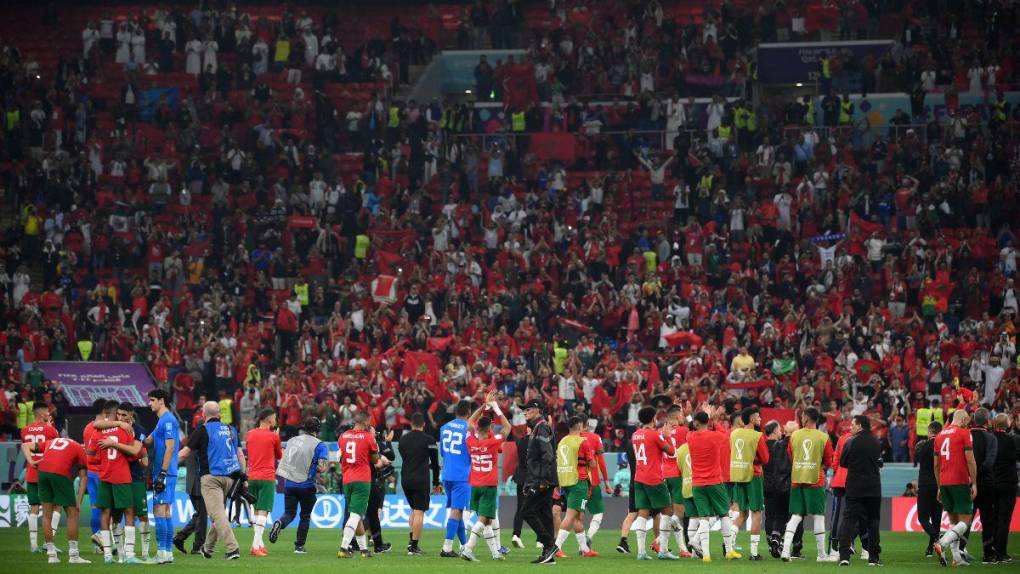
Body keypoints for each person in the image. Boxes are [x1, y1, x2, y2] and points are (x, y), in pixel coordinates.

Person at [177, 400, 247, 560]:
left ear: (203, 414)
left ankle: (232, 548)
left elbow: (184, 454)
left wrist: (166, 467)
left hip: (211, 478)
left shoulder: (202, 429)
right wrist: (244, 477)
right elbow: (240, 455)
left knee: (217, 515)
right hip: (230, 479)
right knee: (218, 514)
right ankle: (207, 549)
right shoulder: (231, 429)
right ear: (220, 414)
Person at [781, 407, 838, 562]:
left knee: (795, 516)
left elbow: (791, 456)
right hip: (815, 480)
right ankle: (821, 555)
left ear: (805, 418)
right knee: (818, 517)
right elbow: (829, 461)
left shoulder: (794, 436)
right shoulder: (823, 437)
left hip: (797, 478)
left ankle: (785, 551)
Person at [460, 391, 511, 561]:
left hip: (474, 484)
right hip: (488, 484)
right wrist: (495, 407)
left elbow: (469, 422)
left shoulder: (471, 441)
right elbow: (508, 428)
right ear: (489, 428)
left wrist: (483, 405)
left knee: (488, 520)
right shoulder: (493, 441)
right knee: (485, 518)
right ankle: (468, 548)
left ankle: (495, 553)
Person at [687, 406, 740, 562]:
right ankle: (729, 551)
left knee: (703, 517)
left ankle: (706, 555)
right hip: (715, 482)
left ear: (696, 423)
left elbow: (691, 426)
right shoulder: (716, 436)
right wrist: (713, 419)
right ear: (707, 422)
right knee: (724, 513)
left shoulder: (690, 437)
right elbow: (726, 434)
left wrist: (689, 416)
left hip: (697, 484)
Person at [95, 402, 144, 564]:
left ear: (132, 415)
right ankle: (128, 554)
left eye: (124, 415)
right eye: (119, 414)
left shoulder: (102, 429)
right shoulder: (127, 430)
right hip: (122, 476)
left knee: (107, 513)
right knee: (129, 512)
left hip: (106, 474)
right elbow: (134, 453)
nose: (121, 418)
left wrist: (112, 441)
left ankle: (108, 555)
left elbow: (96, 424)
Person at [29, 435, 90, 563]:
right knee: (72, 514)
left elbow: (25, 445)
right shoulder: (79, 448)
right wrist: (78, 502)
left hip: (42, 472)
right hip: (60, 473)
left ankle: (51, 555)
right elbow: (83, 477)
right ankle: (73, 556)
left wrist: (31, 461)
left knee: (46, 514)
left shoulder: (51, 442)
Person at [270, 417, 327, 554]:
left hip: (289, 484)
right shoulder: (319, 445)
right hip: (306, 485)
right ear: (317, 430)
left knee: (289, 513)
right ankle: (299, 546)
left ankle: (280, 523)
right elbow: (322, 467)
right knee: (305, 516)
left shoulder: (292, 440)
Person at [630, 405, 677, 560]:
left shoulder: (635, 435)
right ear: (653, 418)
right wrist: (667, 435)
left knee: (643, 513)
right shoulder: (654, 435)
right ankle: (663, 550)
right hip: (654, 478)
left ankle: (641, 552)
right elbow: (671, 452)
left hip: (639, 478)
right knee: (668, 511)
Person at [836, 415, 883, 566]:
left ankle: (844, 557)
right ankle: (874, 558)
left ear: (860, 426)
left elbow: (843, 462)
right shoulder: (876, 442)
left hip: (854, 488)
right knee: (873, 522)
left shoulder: (850, 442)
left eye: (853, 424)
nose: (851, 427)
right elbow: (879, 462)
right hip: (873, 488)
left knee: (848, 521)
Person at [933, 409, 977, 567]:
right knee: (965, 520)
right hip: (959, 480)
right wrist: (975, 483)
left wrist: (939, 486)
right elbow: (970, 461)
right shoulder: (964, 433)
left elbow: (936, 465)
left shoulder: (939, 435)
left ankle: (957, 557)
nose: (968, 422)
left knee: (953, 521)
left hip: (944, 482)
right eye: (968, 420)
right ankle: (942, 543)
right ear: (963, 418)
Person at [337, 411, 384, 558]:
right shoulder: (368, 437)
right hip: (362, 480)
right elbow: (376, 460)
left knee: (354, 515)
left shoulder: (343, 436)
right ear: (365, 423)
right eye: (369, 422)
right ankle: (344, 548)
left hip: (347, 479)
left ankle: (364, 550)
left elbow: (340, 457)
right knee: (357, 515)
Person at [548, 415, 597, 559]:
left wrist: (557, 484)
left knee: (578, 516)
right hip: (578, 481)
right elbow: (592, 464)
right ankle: (556, 547)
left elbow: (558, 462)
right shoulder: (583, 442)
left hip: (565, 481)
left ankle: (585, 549)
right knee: (571, 516)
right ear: (580, 426)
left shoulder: (562, 441)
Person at [397, 412, 440, 555]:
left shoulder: (403, 440)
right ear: (424, 424)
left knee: (413, 510)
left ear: (411, 424)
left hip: (405, 479)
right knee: (419, 511)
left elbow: (406, 457)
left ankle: (411, 542)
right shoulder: (429, 440)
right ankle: (414, 546)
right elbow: (434, 464)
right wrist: (436, 482)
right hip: (421, 479)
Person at [520, 399, 557, 564]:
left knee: (526, 511)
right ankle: (548, 555)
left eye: (527, 410)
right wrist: (530, 482)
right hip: (543, 478)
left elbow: (547, 455)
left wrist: (540, 481)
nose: (524, 413)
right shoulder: (538, 427)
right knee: (545, 515)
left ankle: (550, 544)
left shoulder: (541, 427)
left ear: (536, 410)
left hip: (544, 479)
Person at [729, 407, 769, 560]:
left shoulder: (734, 434)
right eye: (758, 416)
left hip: (738, 475)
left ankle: (729, 546)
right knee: (756, 512)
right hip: (754, 475)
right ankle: (754, 553)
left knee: (742, 513)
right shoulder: (757, 436)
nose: (760, 419)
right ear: (751, 419)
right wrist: (754, 459)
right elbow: (765, 459)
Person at [20, 402, 59, 553]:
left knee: (34, 507)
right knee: (55, 506)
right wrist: (50, 427)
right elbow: (57, 445)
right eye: (47, 411)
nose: (49, 414)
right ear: (42, 413)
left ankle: (33, 545)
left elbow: (27, 448)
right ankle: (49, 542)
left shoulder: (24, 431)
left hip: (31, 471)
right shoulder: (50, 430)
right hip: (47, 471)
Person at [146, 389, 180, 564]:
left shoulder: (168, 420)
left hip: (164, 472)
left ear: (161, 401)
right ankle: (167, 553)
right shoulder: (162, 421)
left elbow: (170, 447)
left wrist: (163, 473)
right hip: (167, 472)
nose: (149, 403)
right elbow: (148, 441)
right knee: (166, 512)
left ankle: (161, 553)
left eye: (152, 400)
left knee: (160, 510)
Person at [245, 408, 282, 556]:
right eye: (275, 418)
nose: (275, 421)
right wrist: (276, 438)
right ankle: (255, 546)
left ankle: (260, 544)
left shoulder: (249, 434)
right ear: (269, 420)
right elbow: (279, 455)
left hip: (252, 476)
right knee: (263, 511)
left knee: (256, 510)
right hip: (267, 477)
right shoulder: (273, 436)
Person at [439, 400, 472, 557]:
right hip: (461, 475)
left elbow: (442, 453)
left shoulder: (444, 428)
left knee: (456, 511)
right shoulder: (469, 428)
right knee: (457, 510)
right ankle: (446, 548)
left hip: (446, 474)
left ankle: (465, 545)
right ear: (469, 413)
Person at [659, 405, 691, 557]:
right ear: (678, 417)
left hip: (662, 476)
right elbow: (698, 432)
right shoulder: (684, 431)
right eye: (682, 416)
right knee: (678, 515)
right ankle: (660, 541)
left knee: (667, 514)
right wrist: (690, 417)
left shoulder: (659, 432)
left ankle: (681, 549)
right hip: (677, 476)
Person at [968, 408, 999, 563]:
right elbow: (989, 462)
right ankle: (988, 553)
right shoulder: (991, 438)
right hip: (986, 484)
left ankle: (960, 551)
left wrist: (971, 476)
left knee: (966, 518)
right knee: (988, 519)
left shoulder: (967, 436)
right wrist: (977, 474)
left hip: (968, 483)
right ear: (987, 421)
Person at [82, 399, 112, 549]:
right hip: (103, 472)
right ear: (105, 410)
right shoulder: (107, 428)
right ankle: (103, 539)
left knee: (95, 507)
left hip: (90, 472)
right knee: (107, 508)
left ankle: (96, 545)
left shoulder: (87, 427)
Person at [990, 414, 1019, 562]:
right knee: (1004, 520)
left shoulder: (990, 438)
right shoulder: (1012, 439)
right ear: (1006, 424)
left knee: (994, 518)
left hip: (992, 483)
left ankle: (992, 551)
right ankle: (1001, 553)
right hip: (1008, 484)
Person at [581, 420, 612, 553]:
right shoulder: (595, 438)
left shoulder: (570, 439)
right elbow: (601, 461)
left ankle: (580, 546)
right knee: (598, 512)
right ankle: (589, 535)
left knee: (576, 514)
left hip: (576, 481)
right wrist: (606, 481)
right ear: (587, 425)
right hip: (592, 482)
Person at [172, 433, 206, 554]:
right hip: (199, 484)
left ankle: (180, 537)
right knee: (202, 516)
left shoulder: (191, 447)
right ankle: (197, 547)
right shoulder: (200, 447)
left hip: (191, 483)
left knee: (200, 514)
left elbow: (181, 458)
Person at [915, 420, 943, 556]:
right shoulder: (943, 446)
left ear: (930, 431)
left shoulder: (923, 446)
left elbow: (918, 460)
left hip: (925, 485)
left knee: (923, 518)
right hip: (940, 485)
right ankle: (931, 548)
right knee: (936, 518)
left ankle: (937, 539)